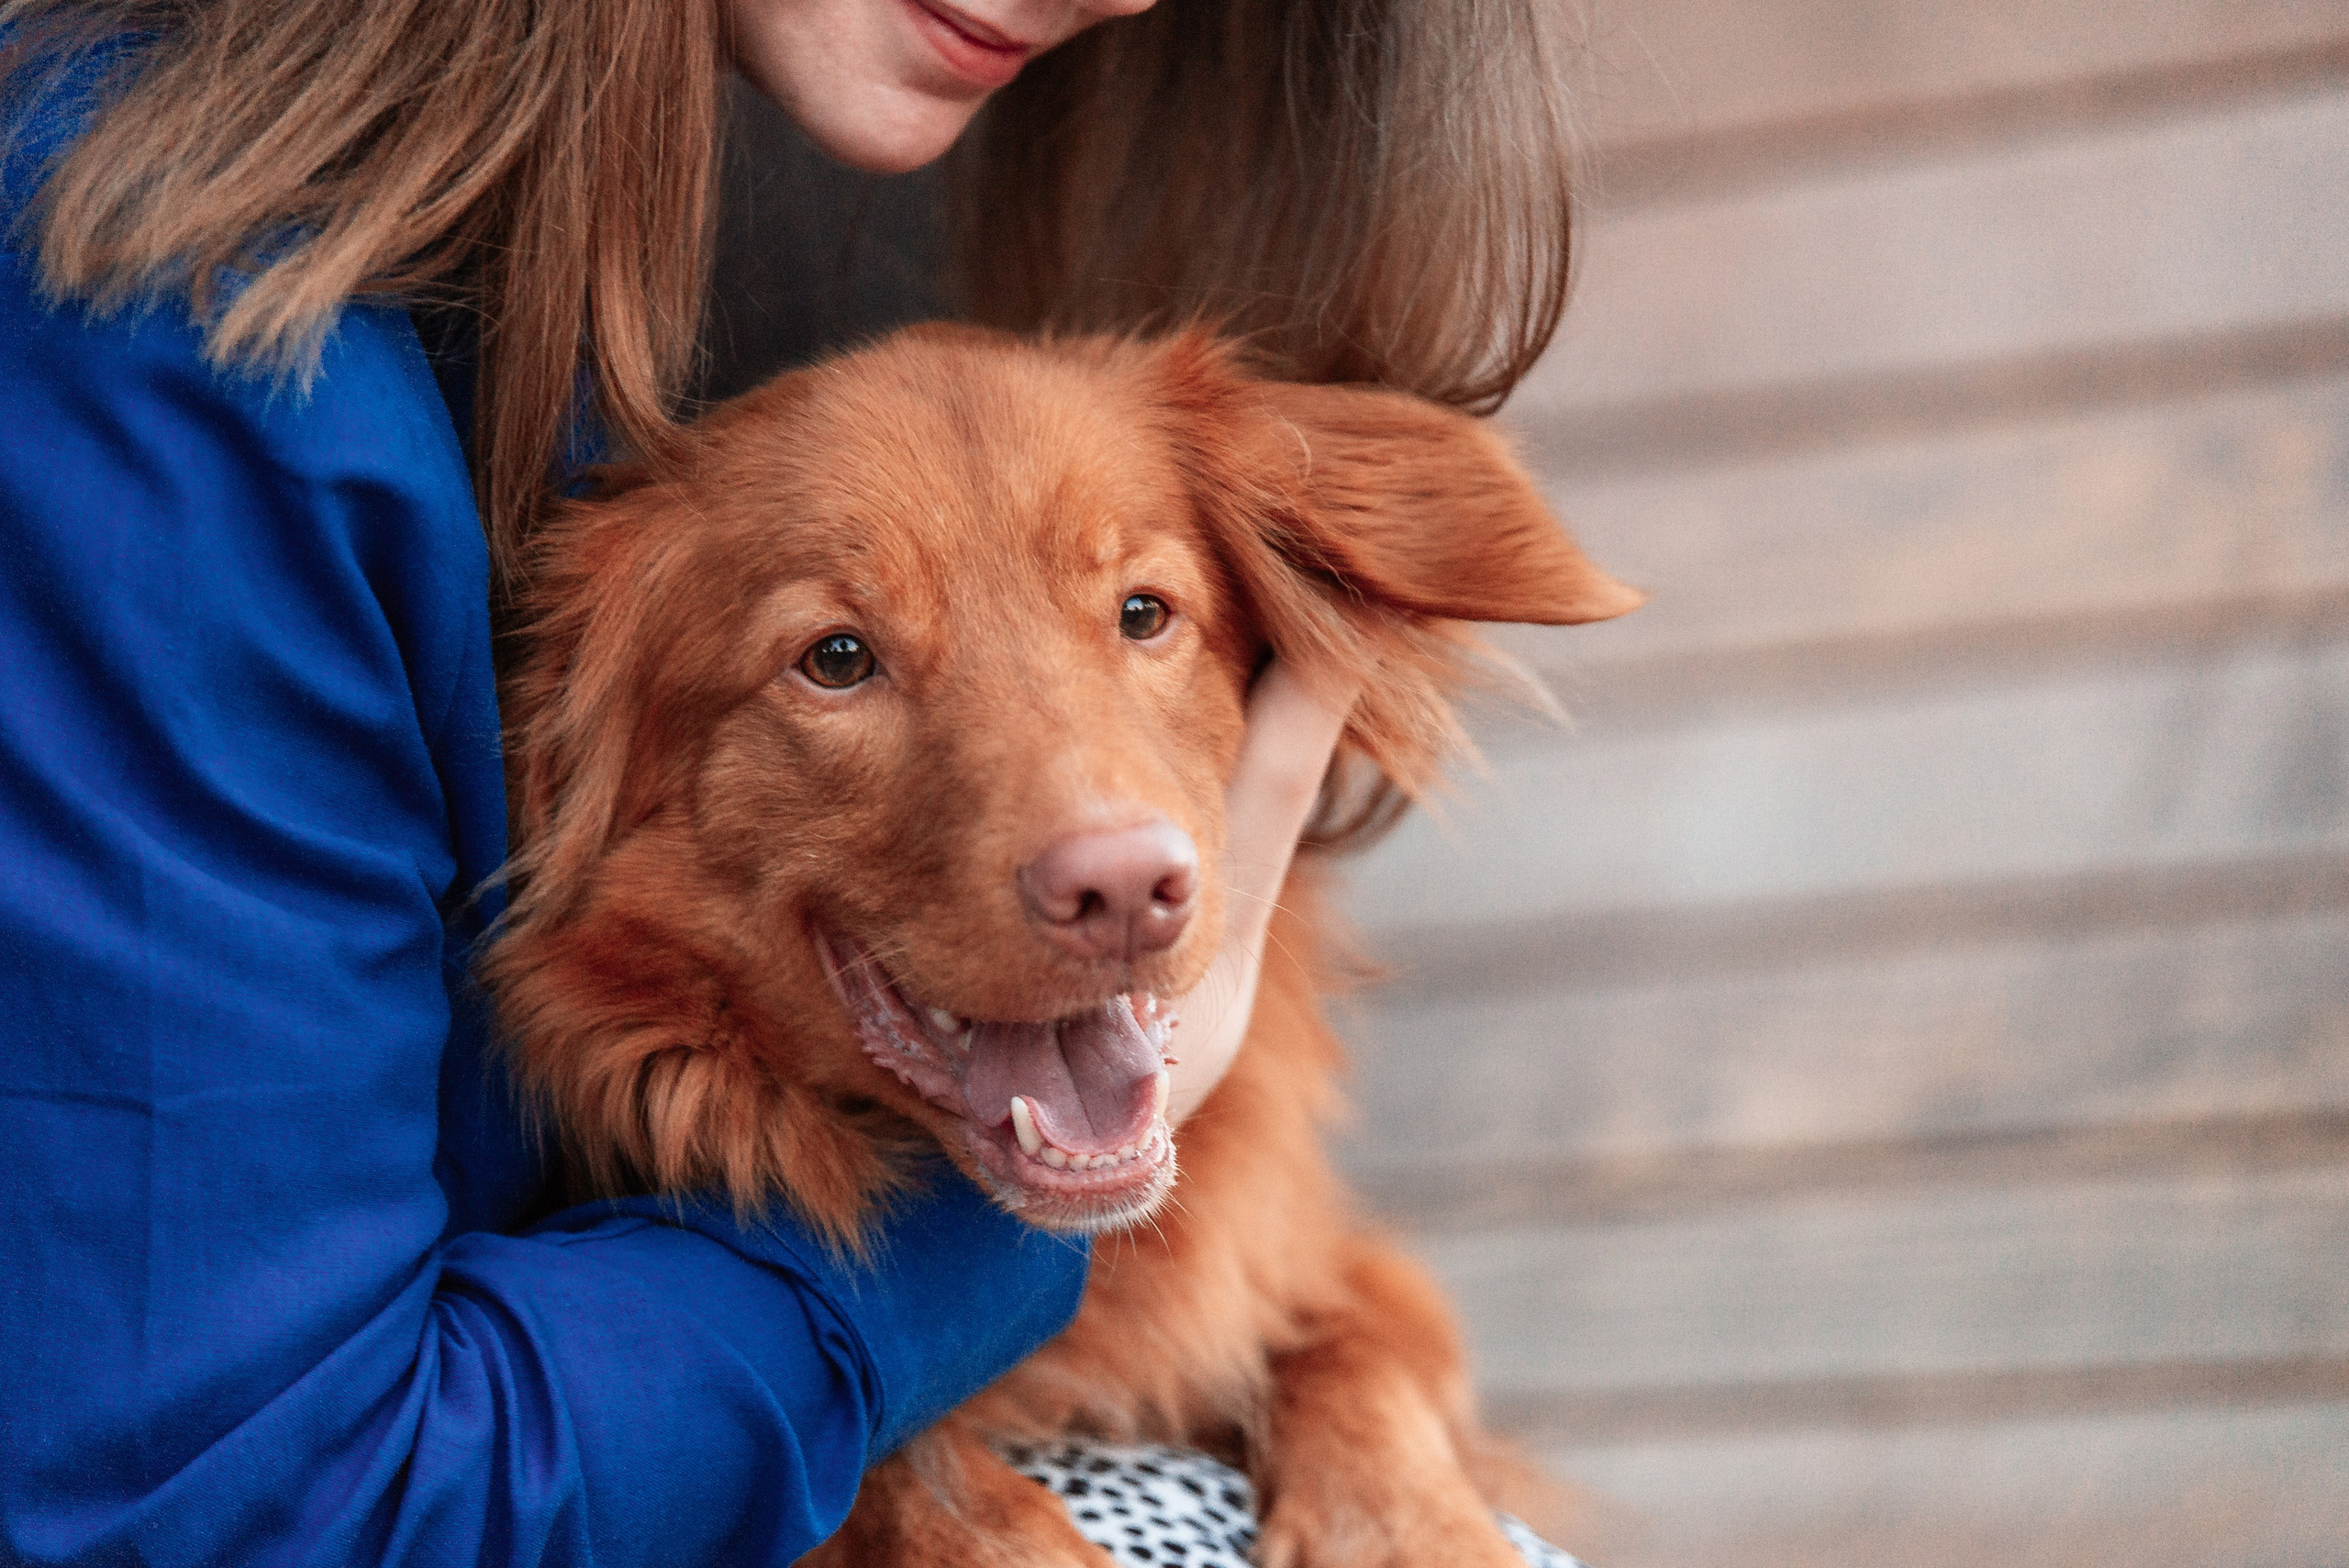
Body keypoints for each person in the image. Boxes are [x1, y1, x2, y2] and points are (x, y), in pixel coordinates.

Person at [0, 2, 1579, 1563]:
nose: (1111, 842)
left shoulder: (568, 289)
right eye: (837, 656)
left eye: (1144, 611)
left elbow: (1327, 1290)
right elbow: (247, 1505)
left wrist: (1355, 1412)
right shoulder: (186, 340)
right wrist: (932, 1414)